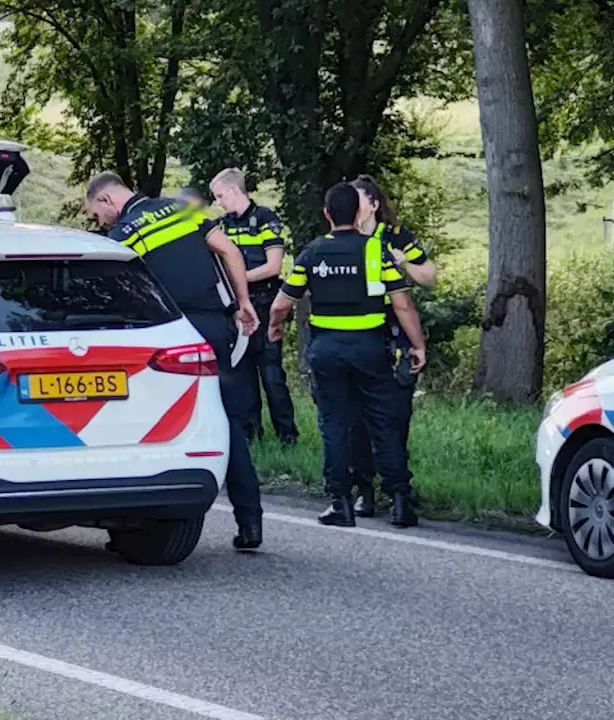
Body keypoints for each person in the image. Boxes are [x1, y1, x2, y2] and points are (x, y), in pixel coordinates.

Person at [84, 171, 265, 550]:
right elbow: (230, 252)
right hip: (215, 327)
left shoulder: (124, 234)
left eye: (98, 215)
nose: (102, 223)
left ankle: (139, 525)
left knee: (149, 424)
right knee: (228, 419)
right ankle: (250, 522)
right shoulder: (182, 210)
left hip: (170, 336)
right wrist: (243, 303)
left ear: (107, 202)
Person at [268, 182, 426, 528]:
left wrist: (275, 327)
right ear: (358, 213)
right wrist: (418, 345)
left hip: (327, 352)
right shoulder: (375, 251)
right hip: (371, 349)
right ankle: (400, 502)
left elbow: (282, 302)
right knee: (384, 424)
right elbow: (402, 303)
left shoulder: (311, 253)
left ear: (327, 214)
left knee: (336, 426)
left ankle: (340, 503)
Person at [346, 174, 439, 516]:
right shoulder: (344, 238)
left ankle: (399, 489)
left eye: (358, 202)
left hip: (395, 335)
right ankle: (365, 490)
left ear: (373, 204)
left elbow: (430, 277)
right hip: (359, 335)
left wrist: (404, 264)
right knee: (358, 420)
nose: (353, 210)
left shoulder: (397, 237)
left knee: (395, 417)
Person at [210, 168, 298, 446]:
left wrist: (239, 278)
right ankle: (252, 435)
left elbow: (273, 266)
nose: (219, 202)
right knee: (243, 372)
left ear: (234, 191)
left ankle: (287, 436)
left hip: (265, 302)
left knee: (271, 373)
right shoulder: (221, 225)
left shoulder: (265, 219)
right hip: (236, 307)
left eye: (220, 195)